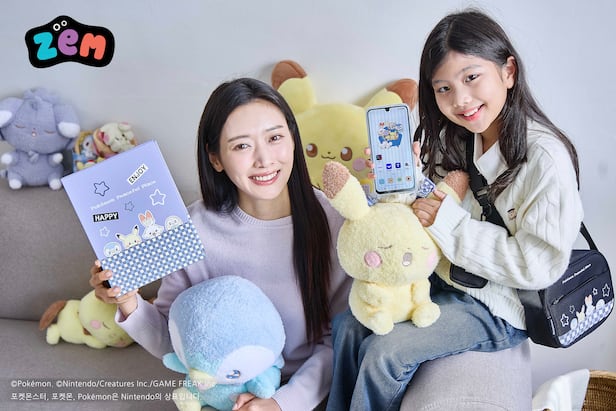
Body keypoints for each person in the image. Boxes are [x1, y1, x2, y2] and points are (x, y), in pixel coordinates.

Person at [326, 9, 583, 411]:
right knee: (348, 324)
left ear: (508, 72)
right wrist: (408, 182)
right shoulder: (456, 137)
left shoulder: (545, 159)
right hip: (443, 281)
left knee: (385, 354)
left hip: (499, 306)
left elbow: (539, 265)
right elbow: (429, 209)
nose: (460, 100)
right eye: (443, 88)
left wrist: (448, 222)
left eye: (471, 77)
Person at [90, 78, 352, 411]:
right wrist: (128, 301)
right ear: (215, 158)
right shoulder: (190, 228)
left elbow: (339, 339)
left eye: (274, 138)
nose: (264, 159)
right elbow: (176, 339)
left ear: (292, 139)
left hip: (305, 398)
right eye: (241, 146)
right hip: (222, 396)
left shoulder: (335, 221)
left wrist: (280, 403)